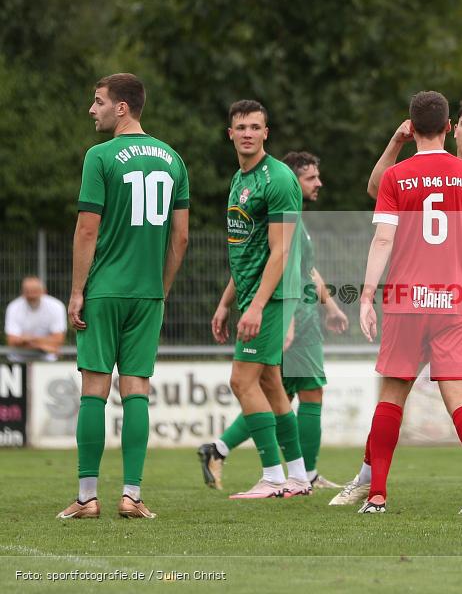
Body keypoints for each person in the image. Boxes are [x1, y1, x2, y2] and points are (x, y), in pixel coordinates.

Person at [332, 95, 462, 508]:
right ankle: (370, 475)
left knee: (456, 390)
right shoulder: (449, 172)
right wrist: (396, 142)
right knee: (407, 389)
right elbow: (378, 187)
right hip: (451, 297)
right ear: (452, 127)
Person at [354, 90, 462, 514]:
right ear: (450, 127)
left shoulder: (397, 177)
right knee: (459, 397)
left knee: (392, 396)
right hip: (453, 300)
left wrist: (365, 296)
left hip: (404, 301)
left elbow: (383, 238)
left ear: (411, 127)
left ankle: (377, 494)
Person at [57, 73, 190, 520]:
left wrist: (77, 290)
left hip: (105, 291)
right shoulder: (174, 159)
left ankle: (87, 497)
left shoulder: (100, 156)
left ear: (121, 108)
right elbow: (182, 238)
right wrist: (161, 290)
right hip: (147, 294)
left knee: (94, 390)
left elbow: (87, 228)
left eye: (97, 102)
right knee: (137, 391)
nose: (91, 109)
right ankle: (132, 495)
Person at [198, 151, 348, 490]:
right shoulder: (280, 216)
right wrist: (289, 319)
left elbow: (304, 270)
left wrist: (331, 306)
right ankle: (295, 474)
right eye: (311, 177)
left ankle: (231, 452)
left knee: (274, 389)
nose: (318, 183)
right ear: (291, 181)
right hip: (292, 317)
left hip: (296, 314)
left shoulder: (296, 224)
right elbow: (269, 265)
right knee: (293, 391)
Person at [210, 100, 311, 500]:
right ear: (230, 133)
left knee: (241, 380)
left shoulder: (280, 179)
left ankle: (271, 477)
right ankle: (299, 477)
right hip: (253, 294)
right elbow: (245, 250)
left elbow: (281, 251)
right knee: (270, 383)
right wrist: (225, 302)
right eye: (241, 127)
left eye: (255, 126)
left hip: (271, 297)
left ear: (266, 133)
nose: (248, 133)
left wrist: (254, 306)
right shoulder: (239, 178)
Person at [4, 276, 67, 362]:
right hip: (18, 360)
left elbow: (58, 340)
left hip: (47, 360)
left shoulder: (56, 306)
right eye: (28, 292)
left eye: (35, 292)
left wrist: (27, 339)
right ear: (22, 292)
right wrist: (43, 346)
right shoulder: (13, 307)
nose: (31, 295)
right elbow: (12, 341)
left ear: (44, 291)